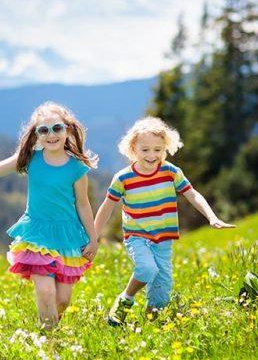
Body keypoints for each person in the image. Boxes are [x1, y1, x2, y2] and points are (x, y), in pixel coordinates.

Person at [0, 101, 98, 330]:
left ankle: (53, 320)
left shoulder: (77, 168)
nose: (51, 135)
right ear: (36, 135)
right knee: (45, 291)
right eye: (44, 130)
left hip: (67, 235)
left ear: (68, 130)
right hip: (37, 234)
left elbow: (83, 204)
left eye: (57, 128)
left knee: (62, 300)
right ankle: (49, 339)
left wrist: (93, 238)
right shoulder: (31, 159)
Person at [94, 116, 235, 326]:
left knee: (162, 285)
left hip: (163, 238)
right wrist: (94, 237)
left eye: (157, 150)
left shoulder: (171, 172)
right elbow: (107, 207)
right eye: (145, 150)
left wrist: (212, 217)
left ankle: (153, 323)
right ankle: (125, 300)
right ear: (133, 149)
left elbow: (192, 194)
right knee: (146, 269)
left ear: (165, 149)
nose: (152, 155)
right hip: (137, 236)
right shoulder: (123, 178)